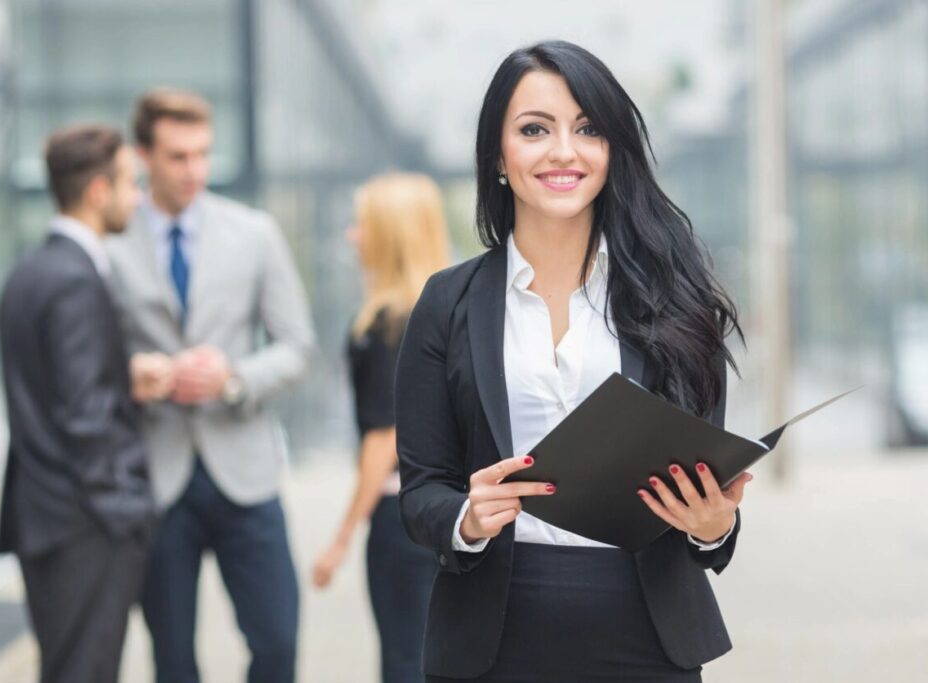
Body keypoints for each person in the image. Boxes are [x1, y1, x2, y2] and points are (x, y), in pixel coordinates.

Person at [395, 41, 754, 683]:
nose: (564, 151)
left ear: (613, 150)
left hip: (646, 630)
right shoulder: (446, 304)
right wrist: (466, 517)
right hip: (494, 633)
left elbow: (708, 484)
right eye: (535, 129)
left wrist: (715, 526)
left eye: (588, 129)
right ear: (497, 157)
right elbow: (422, 490)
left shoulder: (677, 302)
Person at [105, 87, 316, 683]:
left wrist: (232, 379)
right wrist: (137, 377)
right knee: (172, 661)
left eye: (202, 154)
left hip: (244, 471)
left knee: (277, 641)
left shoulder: (254, 233)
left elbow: (298, 347)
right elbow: (90, 362)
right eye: (177, 156)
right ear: (143, 155)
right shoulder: (111, 242)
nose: (194, 169)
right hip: (158, 473)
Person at [0, 124, 154, 683]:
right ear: (97, 192)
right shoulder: (75, 280)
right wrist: (129, 509)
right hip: (84, 527)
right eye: (131, 184)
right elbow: (85, 417)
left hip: (48, 517)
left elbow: (55, 388)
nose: (138, 196)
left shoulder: (29, 272)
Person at [312, 173, 448, 683]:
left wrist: (342, 538)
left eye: (362, 224)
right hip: (455, 515)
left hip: (402, 518)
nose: (353, 236)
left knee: (404, 662)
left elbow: (383, 437)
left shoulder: (385, 325)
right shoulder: (452, 312)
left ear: (391, 234)